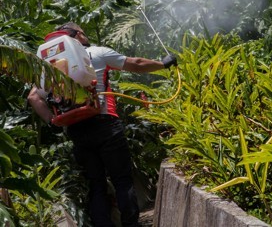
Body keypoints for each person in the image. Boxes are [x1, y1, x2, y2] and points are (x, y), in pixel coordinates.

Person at [28, 22, 177, 227]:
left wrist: (52, 122)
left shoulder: (51, 67)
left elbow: (34, 97)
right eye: (83, 32)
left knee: (96, 185)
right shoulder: (96, 53)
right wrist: (164, 64)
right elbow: (137, 63)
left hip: (77, 128)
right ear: (78, 35)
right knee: (121, 180)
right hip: (105, 124)